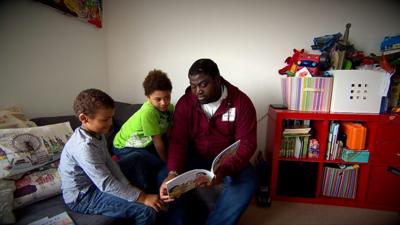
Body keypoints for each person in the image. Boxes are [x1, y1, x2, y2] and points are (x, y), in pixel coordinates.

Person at [159, 59, 258, 225]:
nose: (198, 91)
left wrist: (225, 169)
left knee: (248, 182)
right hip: (195, 157)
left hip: (227, 160)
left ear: (217, 80)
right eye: (193, 85)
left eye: (203, 84)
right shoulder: (185, 103)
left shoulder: (241, 102)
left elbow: (247, 143)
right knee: (164, 177)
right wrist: (173, 172)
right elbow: (178, 142)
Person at [59, 88, 163, 225]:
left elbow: (109, 162)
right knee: (145, 211)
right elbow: (106, 184)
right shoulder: (84, 147)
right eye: (105, 119)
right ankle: (147, 202)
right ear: (84, 118)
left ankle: (149, 196)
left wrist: (129, 185)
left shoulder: (97, 133)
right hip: (84, 196)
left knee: (136, 157)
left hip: (97, 180)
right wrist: (142, 198)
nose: (110, 124)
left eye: (111, 118)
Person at [113, 69, 174, 191]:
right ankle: (147, 190)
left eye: (167, 97)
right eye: (158, 99)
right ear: (148, 97)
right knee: (156, 164)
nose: (164, 103)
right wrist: (167, 163)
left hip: (144, 143)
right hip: (124, 145)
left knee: (158, 160)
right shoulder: (148, 112)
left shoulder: (170, 108)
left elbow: (168, 132)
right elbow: (158, 142)